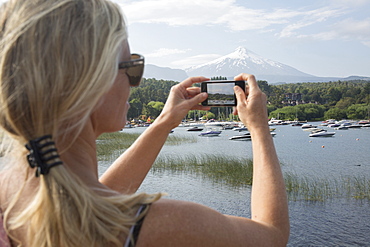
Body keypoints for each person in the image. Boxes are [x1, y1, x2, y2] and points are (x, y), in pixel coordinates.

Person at [0, 0, 289, 246]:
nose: (135, 84)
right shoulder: (162, 225)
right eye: (132, 67)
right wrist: (259, 128)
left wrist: (164, 122)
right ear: (90, 83)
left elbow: (90, 197)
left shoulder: (12, 198)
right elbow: (272, 236)